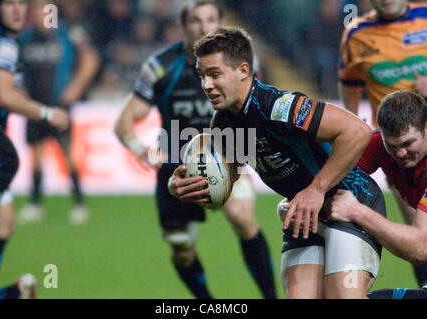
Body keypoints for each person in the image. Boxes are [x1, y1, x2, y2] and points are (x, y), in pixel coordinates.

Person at [169, 26, 387, 299]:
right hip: (304, 216)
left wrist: (316, 189)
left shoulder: (278, 106)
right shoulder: (224, 121)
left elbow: (357, 130)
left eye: (214, 74)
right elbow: (227, 177)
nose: (206, 85)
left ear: (243, 71)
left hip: (350, 203)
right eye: (202, 76)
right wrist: (183, 184)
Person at [115, 1, 276, 299]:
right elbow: (124, 120)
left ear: (222, 22)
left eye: (211, 19)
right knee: (182, 250)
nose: (204, 27)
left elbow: (257, 109)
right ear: (183, 25)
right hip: (178, 168)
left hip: (228, 157)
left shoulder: (243, 63)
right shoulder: (160, 66)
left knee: (243, 217)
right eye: (195, 21)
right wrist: (139, 148)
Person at [0, 0, 69, 298]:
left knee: (1, 227)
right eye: (9, 3)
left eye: (21, 3)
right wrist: (46, 112)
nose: (17, 9)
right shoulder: (2, 43)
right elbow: (3, 95)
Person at [338, 0, 427, 288]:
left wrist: (357, 212)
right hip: (397, 155)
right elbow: (349, 87)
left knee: (420, 240)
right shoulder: (356, 34)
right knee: (415, 241)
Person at [329, 90, 427, 298]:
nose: (401, 153)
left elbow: (420, 248)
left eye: (408, 143)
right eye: (392, 145)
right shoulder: (378, 146)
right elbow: (331, 173)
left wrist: (357, 212)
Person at [17, 0, 100, 225]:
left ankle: (79, 203)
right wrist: (21, 92)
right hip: (35, 106)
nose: (39, 15)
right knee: (36, 154)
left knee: (67, 152)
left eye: (44, 10)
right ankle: (35, 203)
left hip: (59, 105)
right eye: (35, 11)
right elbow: (15, 68)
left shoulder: (68, 32)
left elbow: (91, 59)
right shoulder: (25, 38)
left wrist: (75, 88)